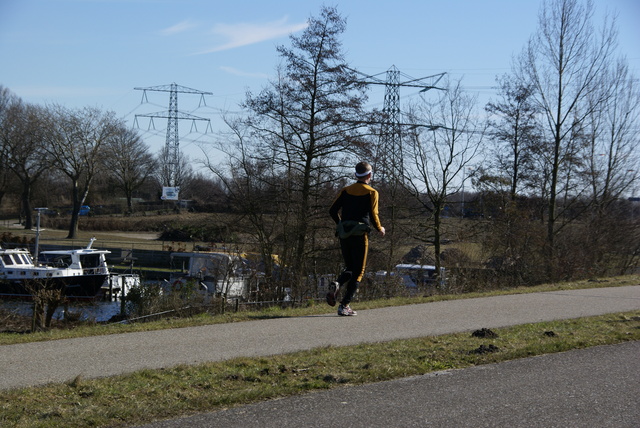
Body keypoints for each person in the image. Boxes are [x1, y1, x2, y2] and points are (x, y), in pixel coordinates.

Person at [328, 161, 385, 316]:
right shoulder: (372, 192)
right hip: (360, 234)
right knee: (359, 271)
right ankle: (344, 305)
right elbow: (374, 215)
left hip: (344, 234)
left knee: (350, 267)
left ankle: (338, 283)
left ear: (355, 174)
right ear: (369, 175)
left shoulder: (346, 190)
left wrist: (341, 224)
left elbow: (332, 210)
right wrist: (380, 228)